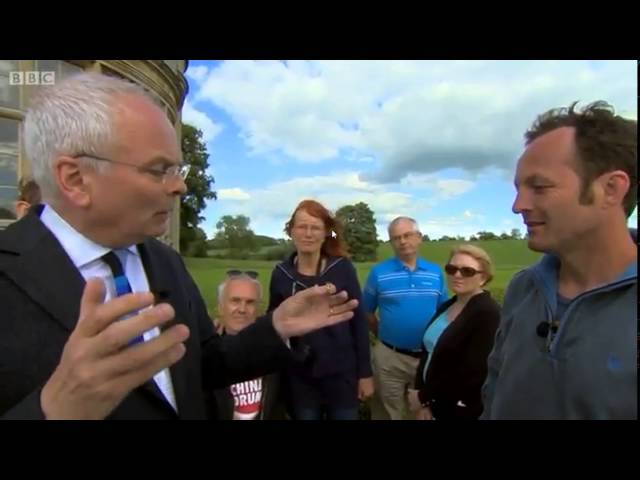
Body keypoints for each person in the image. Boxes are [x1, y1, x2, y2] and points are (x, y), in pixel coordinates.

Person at [0, 72, 359, 420]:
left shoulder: (164, 260)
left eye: (178, 170)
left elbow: (204, 362)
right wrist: (55, 409)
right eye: (159, 170)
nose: (179, 188)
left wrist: (275, 327)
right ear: (76, 179)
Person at [481, 101, 637, 420]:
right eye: (519, 189)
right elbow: (494, 391)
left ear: (611, 189)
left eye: (539, 187)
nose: (518, 205)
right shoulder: (524, 289)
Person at [267, 199, 373, 420]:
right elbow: (272, 323)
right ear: (291, 231)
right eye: (302, 227)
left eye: (315, 228)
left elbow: (359, 323)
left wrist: (365, 374)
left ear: (326, 233)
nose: (308, 233)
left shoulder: (342, 269)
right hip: (300, 378)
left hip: (341, 375)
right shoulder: (281, 274)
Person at [362, 216, 448, 420]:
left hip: (426, 358)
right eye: (396, 238)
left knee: (423, 411)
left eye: (407, 235)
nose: (402, 241)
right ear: (391, 242)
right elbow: (366, 312)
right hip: (389, 357)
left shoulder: (435, 273)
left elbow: (443, 312)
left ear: (419, 237)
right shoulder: (379, 273)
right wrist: (382, 334)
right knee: (387, 412)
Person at [408, 245, 500, 420]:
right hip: (433, 404)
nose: (457, 275)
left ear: (483, 278)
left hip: (460, 409)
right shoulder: (448, 305)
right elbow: (428, 352)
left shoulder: (488, 314)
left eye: (467, 271)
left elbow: (472, 373)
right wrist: (423, 400)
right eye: (451, 269)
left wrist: (423, 397)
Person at [210, 271, 285, 420]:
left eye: (250, 302)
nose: (242, 309)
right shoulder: (206, 355)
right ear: (220, 307)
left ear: (259, 310)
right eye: (235, 301)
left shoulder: (271, 353)